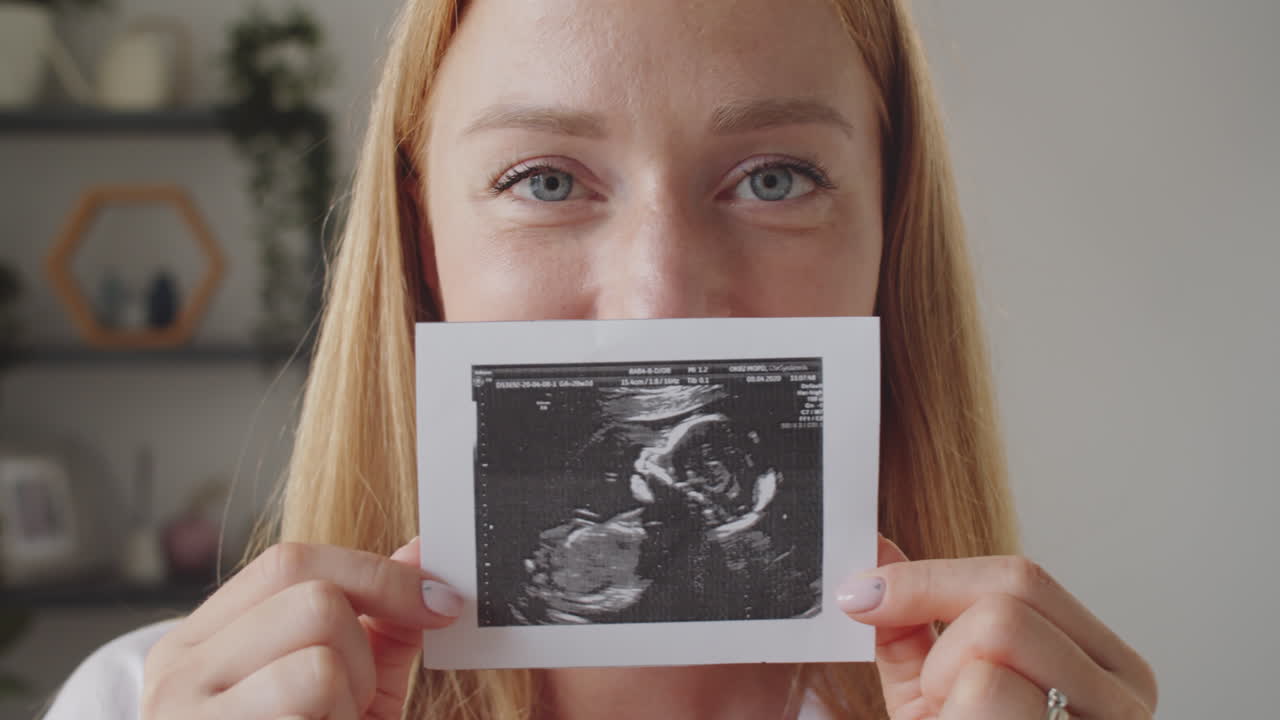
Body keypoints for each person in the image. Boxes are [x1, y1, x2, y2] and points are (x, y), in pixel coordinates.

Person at [42, 0, 1159, 718]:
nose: (660, 302)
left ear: (886, 233)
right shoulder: (135, 701)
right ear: (424, 246)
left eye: (773, 178)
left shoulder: (1033, 704)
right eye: (544, 180)